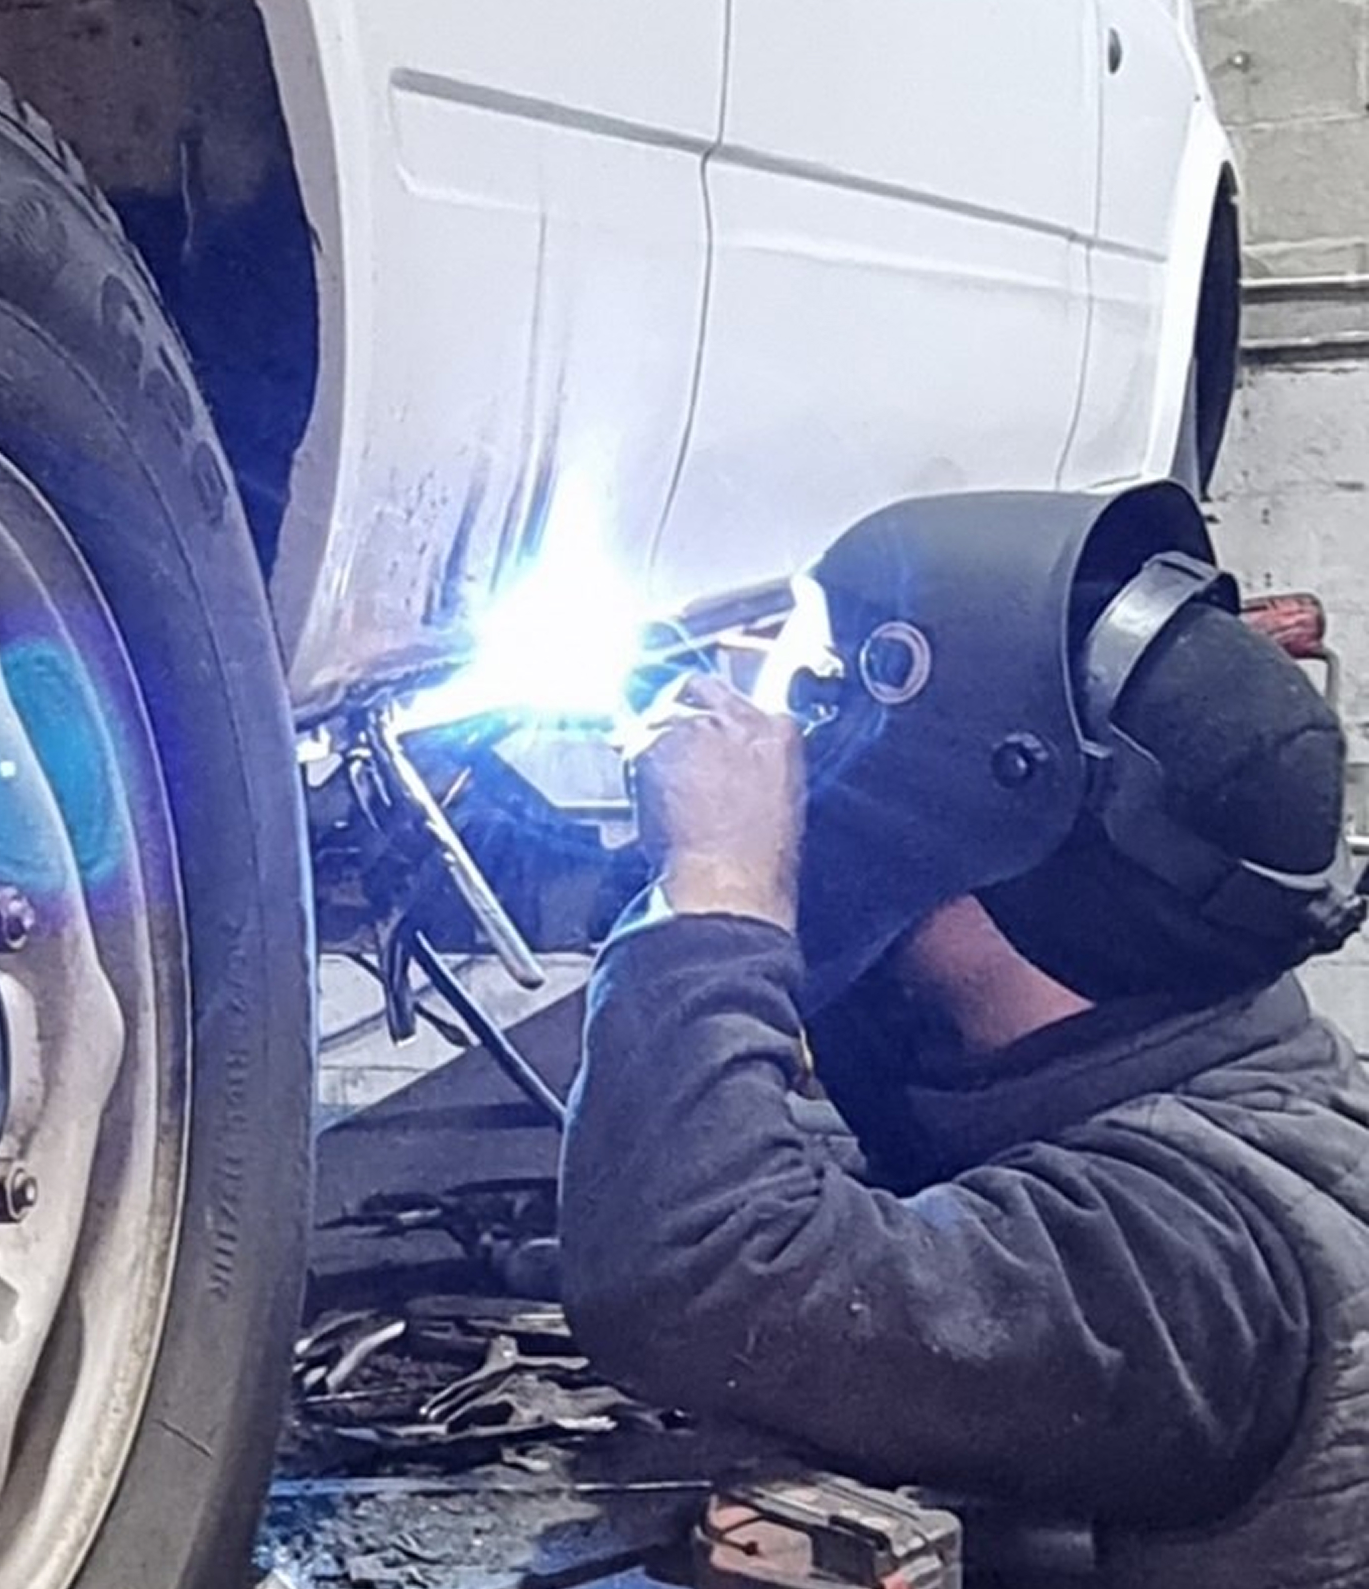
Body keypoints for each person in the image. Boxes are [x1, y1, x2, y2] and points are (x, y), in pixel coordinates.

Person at [558, 484, 1369, 1587]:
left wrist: (718, 880)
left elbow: (700, 1277)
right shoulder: (1241, 1096)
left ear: (990, 816)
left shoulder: (1192, 1264)